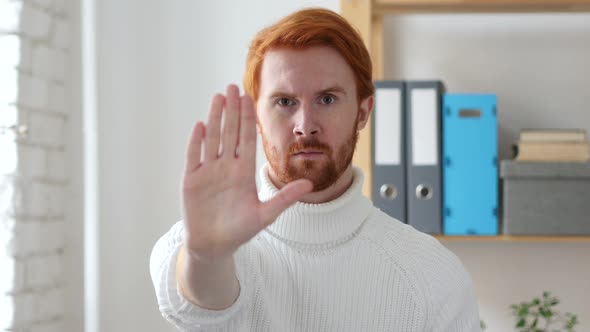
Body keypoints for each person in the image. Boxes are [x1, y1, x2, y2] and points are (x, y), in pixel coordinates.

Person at [150, 8, 481, 332]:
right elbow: (201, 304)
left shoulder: (432, 274)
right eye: (284, 101)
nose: (305, 126)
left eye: (327, 99)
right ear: (256, 116)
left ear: (363, 112)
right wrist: (207, 256)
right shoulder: (198, 242)